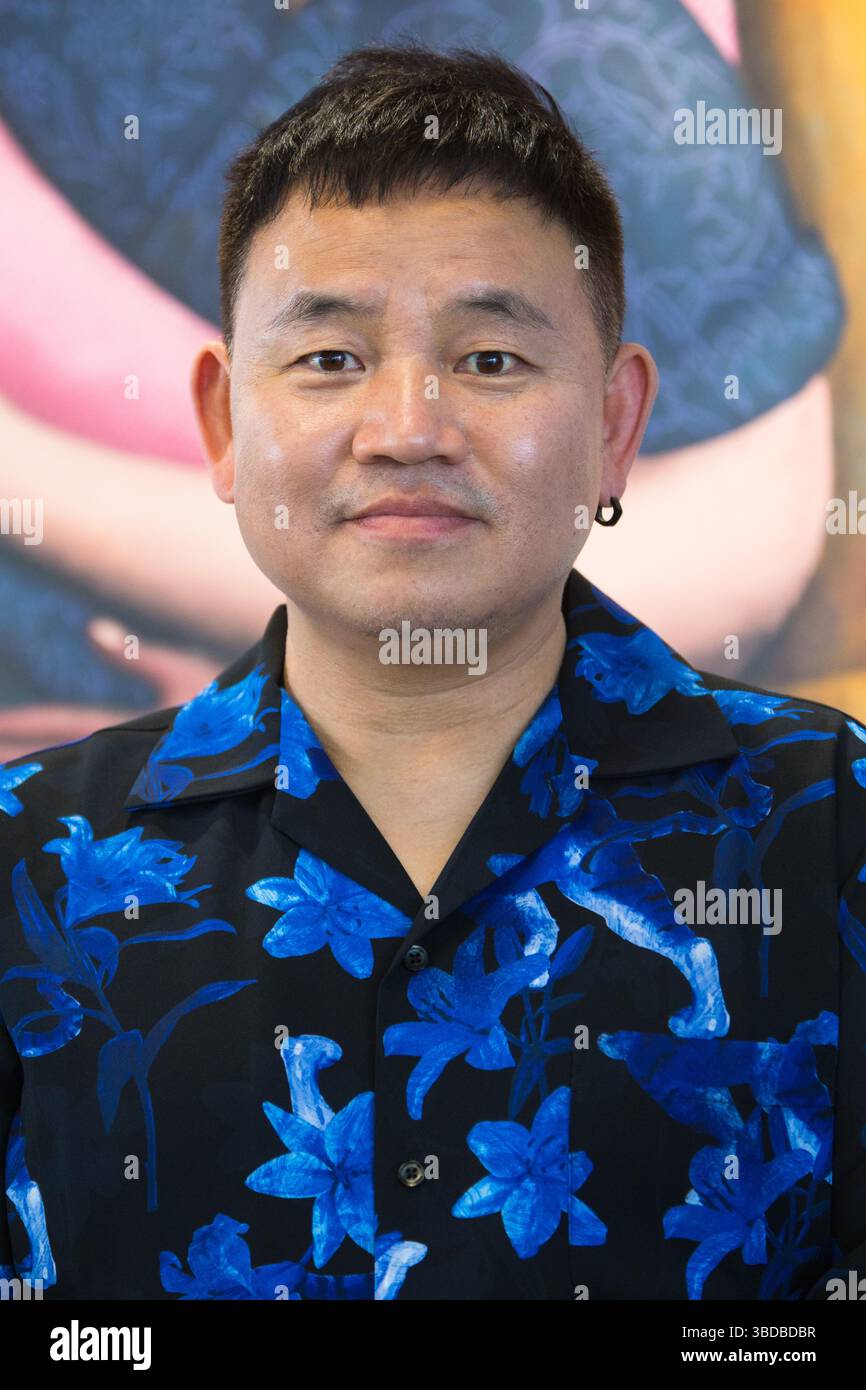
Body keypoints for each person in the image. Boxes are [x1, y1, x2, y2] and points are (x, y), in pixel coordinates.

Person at [0, 43, 863, 1302]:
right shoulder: (35, 862)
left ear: (614, 424)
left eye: (490, 360)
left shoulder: (828, 821)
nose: (407, 430)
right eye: (330, 360)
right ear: (226, 424)